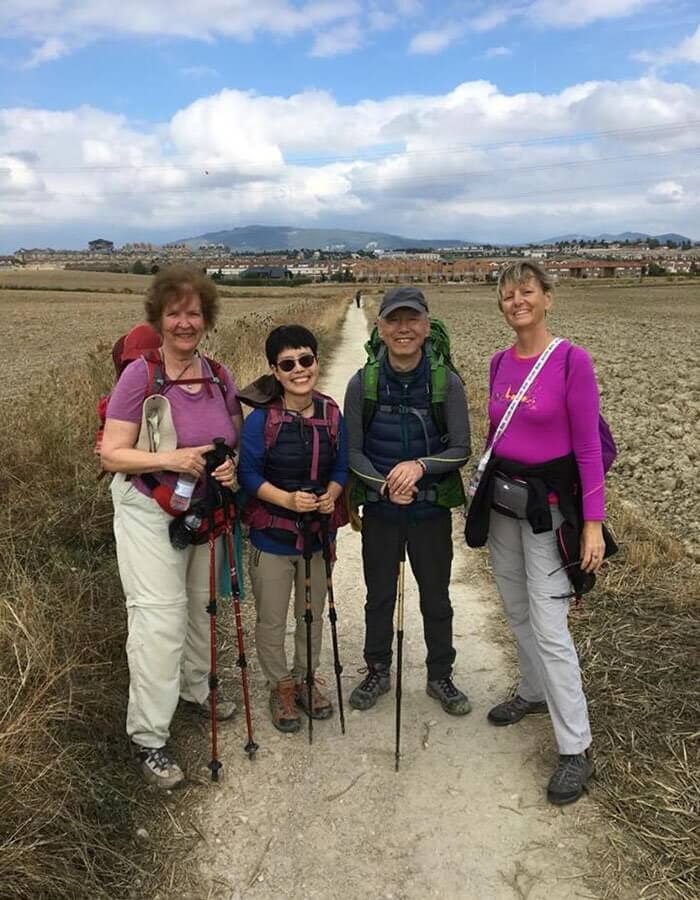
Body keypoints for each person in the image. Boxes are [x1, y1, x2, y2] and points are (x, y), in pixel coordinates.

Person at [466, 260, 605, 805]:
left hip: (550, 511)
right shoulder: (499, 362)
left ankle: (576, 748)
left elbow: (589, 449)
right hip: (504, 504)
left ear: (548, 297)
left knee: (551, 627)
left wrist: (592, 524)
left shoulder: (572, 362)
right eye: (506, 295)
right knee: (517, 607)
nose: (515, 301)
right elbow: (494, 436)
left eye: (526, 292)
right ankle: (531, 690)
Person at [100, 265, 242, 789]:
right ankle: (148, 737)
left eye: (194, 313)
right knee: (160, 618)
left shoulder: (219, 376)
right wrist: (176, 459)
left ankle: (195, 691)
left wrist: (230, 467)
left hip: (202, 508)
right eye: (175, 313)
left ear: (206, 318)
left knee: (203, 608)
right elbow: (112, 453)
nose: (185, 323)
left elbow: (235, 441)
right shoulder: (141, 374)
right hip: (146, 508)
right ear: (159, 318)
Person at [344, 285, 472, 715]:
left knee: (435, 597)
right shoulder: (363, 383)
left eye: (411, 319)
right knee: (379, 596)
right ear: (379, 328)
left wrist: (418, 466)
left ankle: (440, 676)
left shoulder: (446, 382)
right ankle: (377, 668)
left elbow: (461, 448)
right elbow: (354, 453)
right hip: (381, 512)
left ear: (426, 324)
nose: (403, 329)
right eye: (394, 320)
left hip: (430, 511)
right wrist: (384, 487)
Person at [238, 325, 348, 733]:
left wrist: (332, 493)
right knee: (270, 618)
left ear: (316, 361)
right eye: (289, 364)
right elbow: (247, 474)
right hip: (272, 536)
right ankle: (280, 685)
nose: (300, 369)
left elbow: (340, 466)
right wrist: (287, 500)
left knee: (312, 615)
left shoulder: (331, 412)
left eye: (306, 359)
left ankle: (306, 679)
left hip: (318, 534)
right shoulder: (260, 421)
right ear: (276, 371)